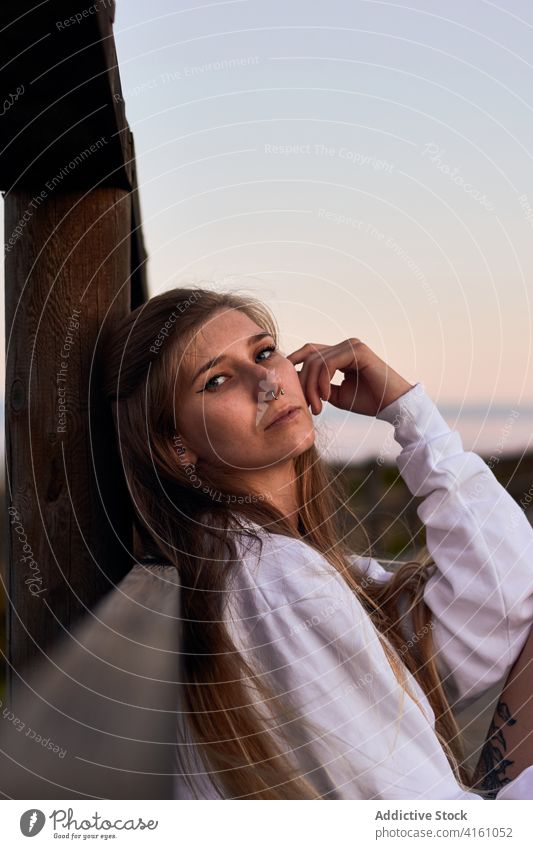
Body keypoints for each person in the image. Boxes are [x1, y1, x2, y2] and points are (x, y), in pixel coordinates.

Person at [99, 286, 533, 800]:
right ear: (178, 448)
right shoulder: (272, 580)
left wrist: (406, 411)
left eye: (263, 353)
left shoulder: (270, 561)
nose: (265, 382)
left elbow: (508, 593)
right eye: (217, 381)